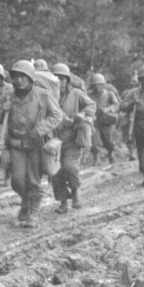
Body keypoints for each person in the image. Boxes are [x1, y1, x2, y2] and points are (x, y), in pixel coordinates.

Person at [3, 59, 63, 227]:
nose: (19, 80)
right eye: (16, 77)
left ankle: (33, 213)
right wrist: (3, 110)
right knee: (17, 180)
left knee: (34, 180)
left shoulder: (42, 94)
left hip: (35, 143)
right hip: (16, 143)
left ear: (30, 79)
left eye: (23, 77)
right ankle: (25, 201)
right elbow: (0, 119)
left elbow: (57, 115)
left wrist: (39, 130)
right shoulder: (9, 96)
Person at [49, 63, 95, 211]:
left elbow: (92, 105)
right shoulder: (47, 95)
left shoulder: (75, 93)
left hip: (73, 139)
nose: (60, 81)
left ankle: (75, 191)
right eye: (56, 78)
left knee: (70, 167)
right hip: (54, 139)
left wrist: (82, 114)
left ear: (67, 80)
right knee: (55, 173)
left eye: (63, 78)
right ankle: (63, 202)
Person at [87, 73, 120, 166]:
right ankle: (96, 158)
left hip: (106, 121)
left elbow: (116, 104)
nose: (98, 87)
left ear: (103, 84)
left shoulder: (109, 94)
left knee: (108, 140)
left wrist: (108, 109)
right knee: (95, 141)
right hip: (95, 121)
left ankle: (111, 154)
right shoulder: (90, 95)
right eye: (96, 84)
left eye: (100, 84)